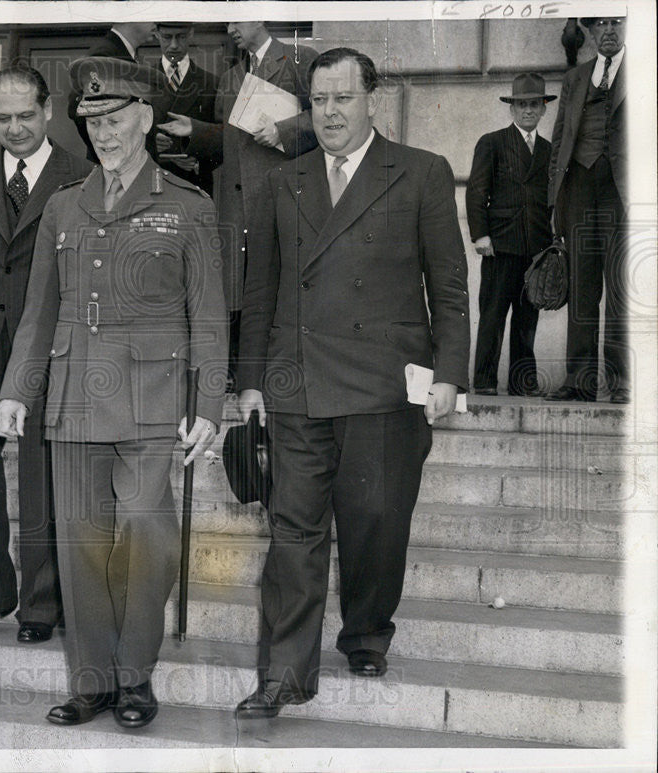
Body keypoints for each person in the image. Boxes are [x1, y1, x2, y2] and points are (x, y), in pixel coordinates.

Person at [233, 48, 470, 718]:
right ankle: (283, 672)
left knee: (375, 523)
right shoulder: (286, 181)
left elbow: (448, 287)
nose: (329, 112)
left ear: (372, 99)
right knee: (293, 532)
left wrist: (450, 373)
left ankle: (366, 628)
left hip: (387, 386)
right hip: (298, 382)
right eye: (319, 100)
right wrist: (252, 379)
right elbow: (262, 289)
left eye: (342, 98)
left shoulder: (420, 173)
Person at [0, 56, 227, 729]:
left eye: (116, 117)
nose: (104, 131)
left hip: (156, 402)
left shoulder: (188, 207)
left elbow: (208, 317)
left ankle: (135, 677)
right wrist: (17, 390)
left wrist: (208, 405)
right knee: (81, 544)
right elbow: (40, 312)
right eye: (92, 120)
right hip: (74, 397)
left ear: (146, 118)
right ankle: (92, 680)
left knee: (145, 541)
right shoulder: (65, 205)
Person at [0, 65, 93, 644]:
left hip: (48, 350)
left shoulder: (80, 175)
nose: (14, 128)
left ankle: (41, 604)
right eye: (2, 118)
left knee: (41, 479)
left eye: (25, 115)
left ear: (48, 110)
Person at [158, 22, 318, 380]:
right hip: (234, 205)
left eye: (237, 18)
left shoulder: (300, 59)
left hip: (282, 201)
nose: (230, 28)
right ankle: (242, 374)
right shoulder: (231, 77)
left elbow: (326, 117)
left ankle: (282, 370)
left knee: (281, 289)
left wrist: (284, 131)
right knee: (238, 294)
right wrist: (195, 132)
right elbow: (231, 142)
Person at [546, 16, 629, 403]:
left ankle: (620, 382)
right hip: (578, 187)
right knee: (581, 286)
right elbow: (560, 137)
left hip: (621, 190)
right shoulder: (576, 78)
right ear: (591, 33)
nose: (609, 30)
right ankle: (578, 381)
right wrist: (555, 201)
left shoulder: (644, 72)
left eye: (616, 22)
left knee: (619, 286)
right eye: (601, 24)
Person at [465, 73, 555, 397]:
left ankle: (521, 383)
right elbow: (476, 192)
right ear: (512, 109)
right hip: (500, 245)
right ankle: (486, 381)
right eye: (522, 105)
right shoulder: (492, 142)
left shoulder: (548, 150)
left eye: (535, 104)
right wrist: (481, 236)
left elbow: (552, 199)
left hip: (536, 249)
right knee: (492, 315)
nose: (528, 110)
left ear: (544, 109)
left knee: (527, 319)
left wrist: (553, 243)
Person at [67, 22, 158, 163]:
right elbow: (77, 110)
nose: (156, 22)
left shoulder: (125, 52)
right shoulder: (104, 54)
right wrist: (108, 150)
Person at [150, 21, 219, 195]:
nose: (174, 45)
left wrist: (196, 160)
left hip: (194, 182)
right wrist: (151, 143)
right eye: (167, 37)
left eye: (180, 37)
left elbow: (224, 138)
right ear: (157, 34)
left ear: (191, 34)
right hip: (151, 182)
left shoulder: (212, 83)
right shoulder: (142, 79)